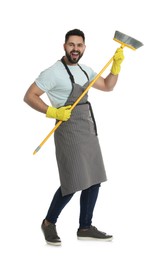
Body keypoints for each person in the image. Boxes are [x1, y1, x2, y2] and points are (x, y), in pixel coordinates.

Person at [23, 28, 124, 246]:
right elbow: (29, 96)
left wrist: (116, 67)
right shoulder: (52, 72)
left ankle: (85, 227)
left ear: (84, 48)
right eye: (71, 44)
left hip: (87, 129)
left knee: (94, 179)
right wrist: (52, 112)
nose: (75, 49)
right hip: (67, 130)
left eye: (79, 45)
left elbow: (108, 85)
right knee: (73, 180)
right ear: (64, 46)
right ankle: (49, 222)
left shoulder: (86, 71)